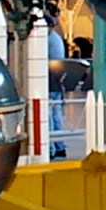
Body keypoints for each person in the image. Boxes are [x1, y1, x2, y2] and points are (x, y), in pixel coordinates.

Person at [46, 14, 68, 159]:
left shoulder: (48, 39)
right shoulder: (56, 38)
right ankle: (60, 146)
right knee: (56, 114)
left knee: (49, 115)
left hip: (50, 81)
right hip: (58, 81)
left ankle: (51, 148)